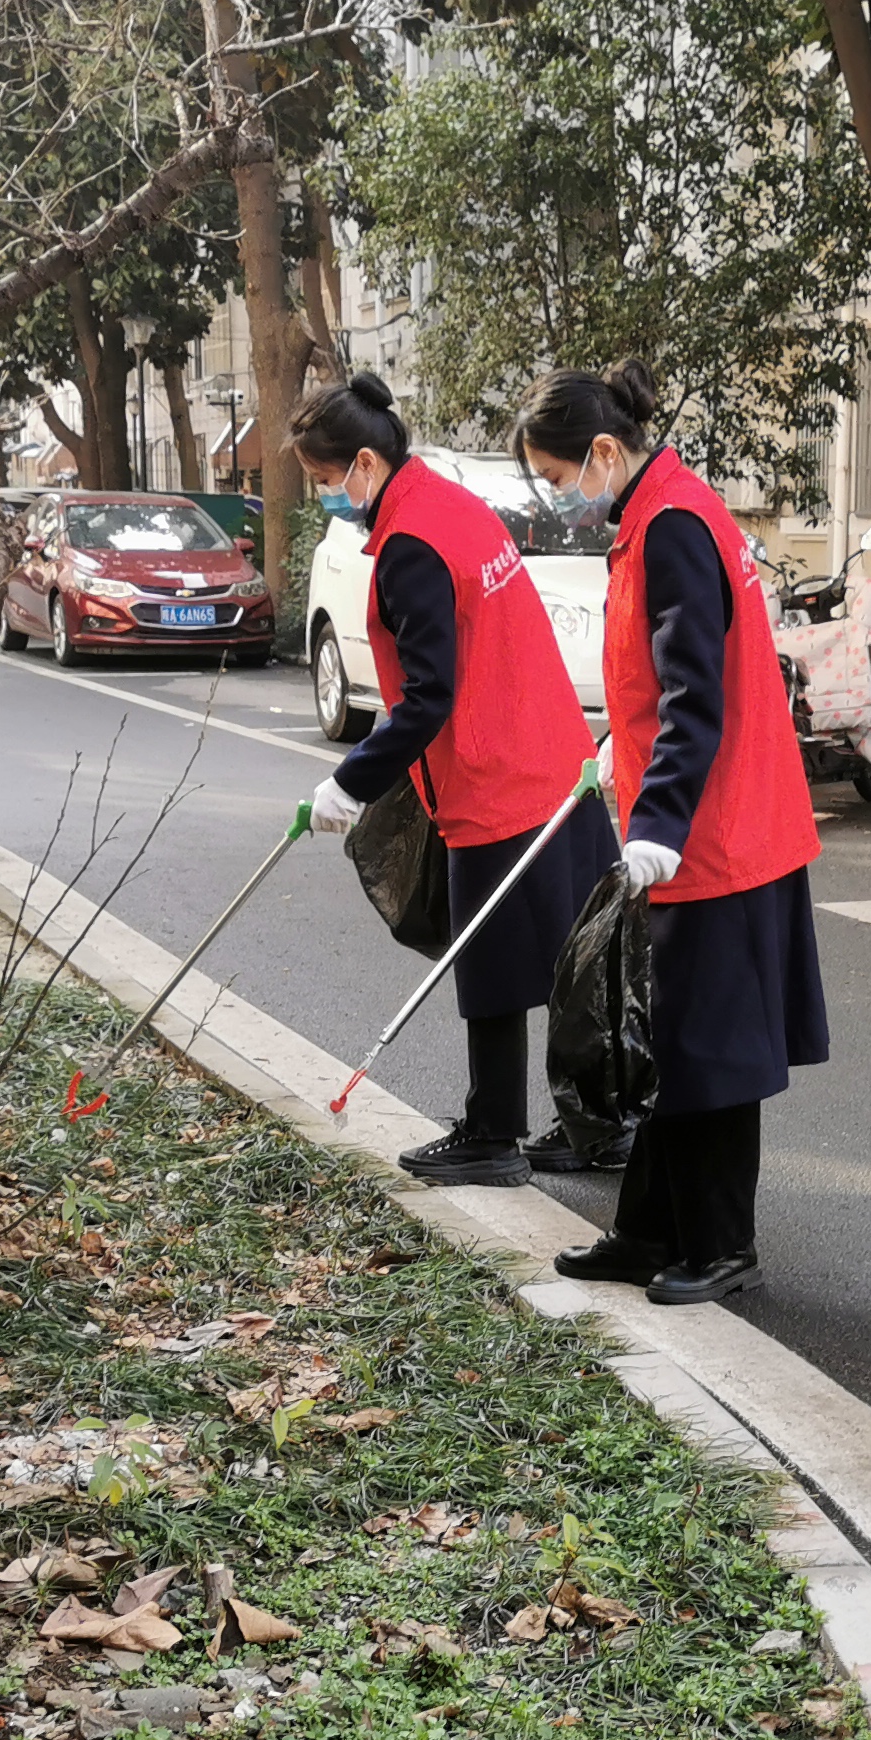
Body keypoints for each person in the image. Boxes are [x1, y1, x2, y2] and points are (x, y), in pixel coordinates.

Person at [513, 362, 827, 1304]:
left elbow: (699, 695)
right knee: (674, 1041)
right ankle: (649, 1229)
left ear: (603, 452)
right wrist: (620, 750)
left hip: (716, 837)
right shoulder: (663, 515)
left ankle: (724, 1245)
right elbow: (665, 680)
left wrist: (658, 820)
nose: (562, 498)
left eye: (562, 479)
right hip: (701, 825)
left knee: (711, 1051)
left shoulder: (675, 527)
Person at [294, 372, 616, 1186]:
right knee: (576, 953)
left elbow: (429, 692)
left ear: (365, 464)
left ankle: (493, 1133)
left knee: (492, 964)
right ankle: (601, 1121)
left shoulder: (409, 546)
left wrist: (353, 781)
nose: (328, 497)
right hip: (551, 751)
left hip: (492, 772)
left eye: (327, 482)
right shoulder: (448, 503)